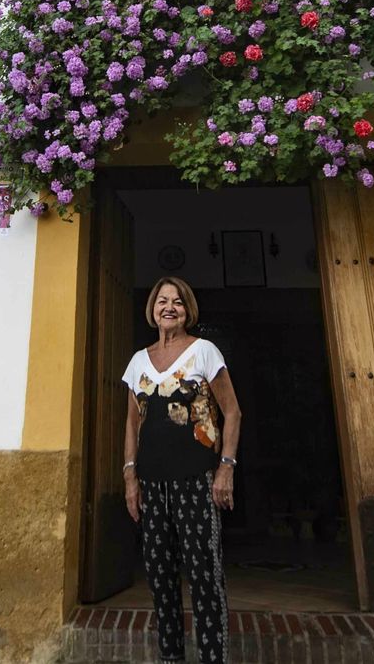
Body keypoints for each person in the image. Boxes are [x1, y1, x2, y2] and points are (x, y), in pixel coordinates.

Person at [121, 276, 243, 664]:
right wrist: (130, 477)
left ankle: (212, 658)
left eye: (177, 301)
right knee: (160, 578)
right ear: (152, 309)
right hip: (152, 483)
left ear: (187, 310)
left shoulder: (204, 352)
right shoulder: (138, 362)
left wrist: (226, 468)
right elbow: (132, 424)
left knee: (204, 576)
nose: (169, 307)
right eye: (162, 300)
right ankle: (170, 657)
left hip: (196, 480)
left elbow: (233, 412)